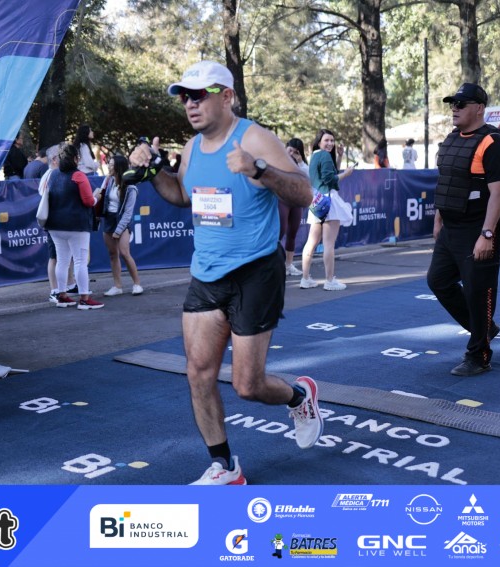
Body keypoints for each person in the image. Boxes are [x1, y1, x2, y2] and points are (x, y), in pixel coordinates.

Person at [129, 60, 323, 485]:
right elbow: (182, 194)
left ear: (227, 96)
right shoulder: (193, 147)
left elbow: (304, 193)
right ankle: (224, 467)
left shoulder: (254, 138)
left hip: (256, 271)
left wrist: (258, 169)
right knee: (198, 373)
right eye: (185, 97)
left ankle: (299, 396)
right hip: (207, 273)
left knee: (248, 385)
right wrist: (153, 171)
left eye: (199, 95)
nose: (190, 104)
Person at [427, 82, 500, 376]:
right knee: (438, 281)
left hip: (477, 228)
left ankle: (479, 356)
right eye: (453, 104)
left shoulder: (493, 142)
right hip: (450, 228)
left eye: (461, 104)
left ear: (479, 108)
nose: (455, 109)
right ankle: (484, 328)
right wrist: (438, 219)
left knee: (479, 292)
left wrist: (487, 234)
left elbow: (498, 194)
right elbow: (448, 183)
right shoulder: (452, 139)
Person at [43, 143, 104, 310]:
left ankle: (62, 295)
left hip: (55, 225)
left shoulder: (53, 175)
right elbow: (88, 201)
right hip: (76, 225)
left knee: (62, 261)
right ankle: (84, 298)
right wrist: (97, 197)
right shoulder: (78, 176)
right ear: (76, 159)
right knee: (80, 261)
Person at [300, 128, 354, 291]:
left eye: (332, 140)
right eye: (327, 140)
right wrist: (346, 173)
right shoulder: (324, 155)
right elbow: (330, 179)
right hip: (329, 200)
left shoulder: (315, 155)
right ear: (319, 142)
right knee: (328, 244)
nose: (330, 143)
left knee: (311, 242)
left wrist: (339, 157)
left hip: (316, 200)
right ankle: (329, 280)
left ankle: (305, 278)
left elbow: (329, 174)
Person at [39, 144, 77, 301]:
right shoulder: (51, 175)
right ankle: (54, 290)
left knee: (67, 255)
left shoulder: (55, 174)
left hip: (59, 221)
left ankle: (70, 284)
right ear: (55, 159)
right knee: (54, 256)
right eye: (62, 156)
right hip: (54, 222)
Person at [101, 155, 143, 296]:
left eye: (111, 164)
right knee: (113, 254)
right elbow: (102, 198)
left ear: (119, 167)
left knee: (125, 253)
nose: (109, 166)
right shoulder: (108, 180)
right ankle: (117, 286)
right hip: (108, 219)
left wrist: (118, 230)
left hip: (122, 221)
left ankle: (137, 284)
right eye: (109, 163)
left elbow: (128, 213)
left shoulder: (131, 188)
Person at [279, 138, 308, 276]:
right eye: (290, 150)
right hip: (282, 200)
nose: (291, 154)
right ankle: (275, 265)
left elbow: (308, 178)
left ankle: (288, 265)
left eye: (295, 152)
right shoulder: (278, 159)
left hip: (296, 201)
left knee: (292, 233)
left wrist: (300, 161)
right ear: (286, 148)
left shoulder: (301, 164)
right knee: (280, 232)